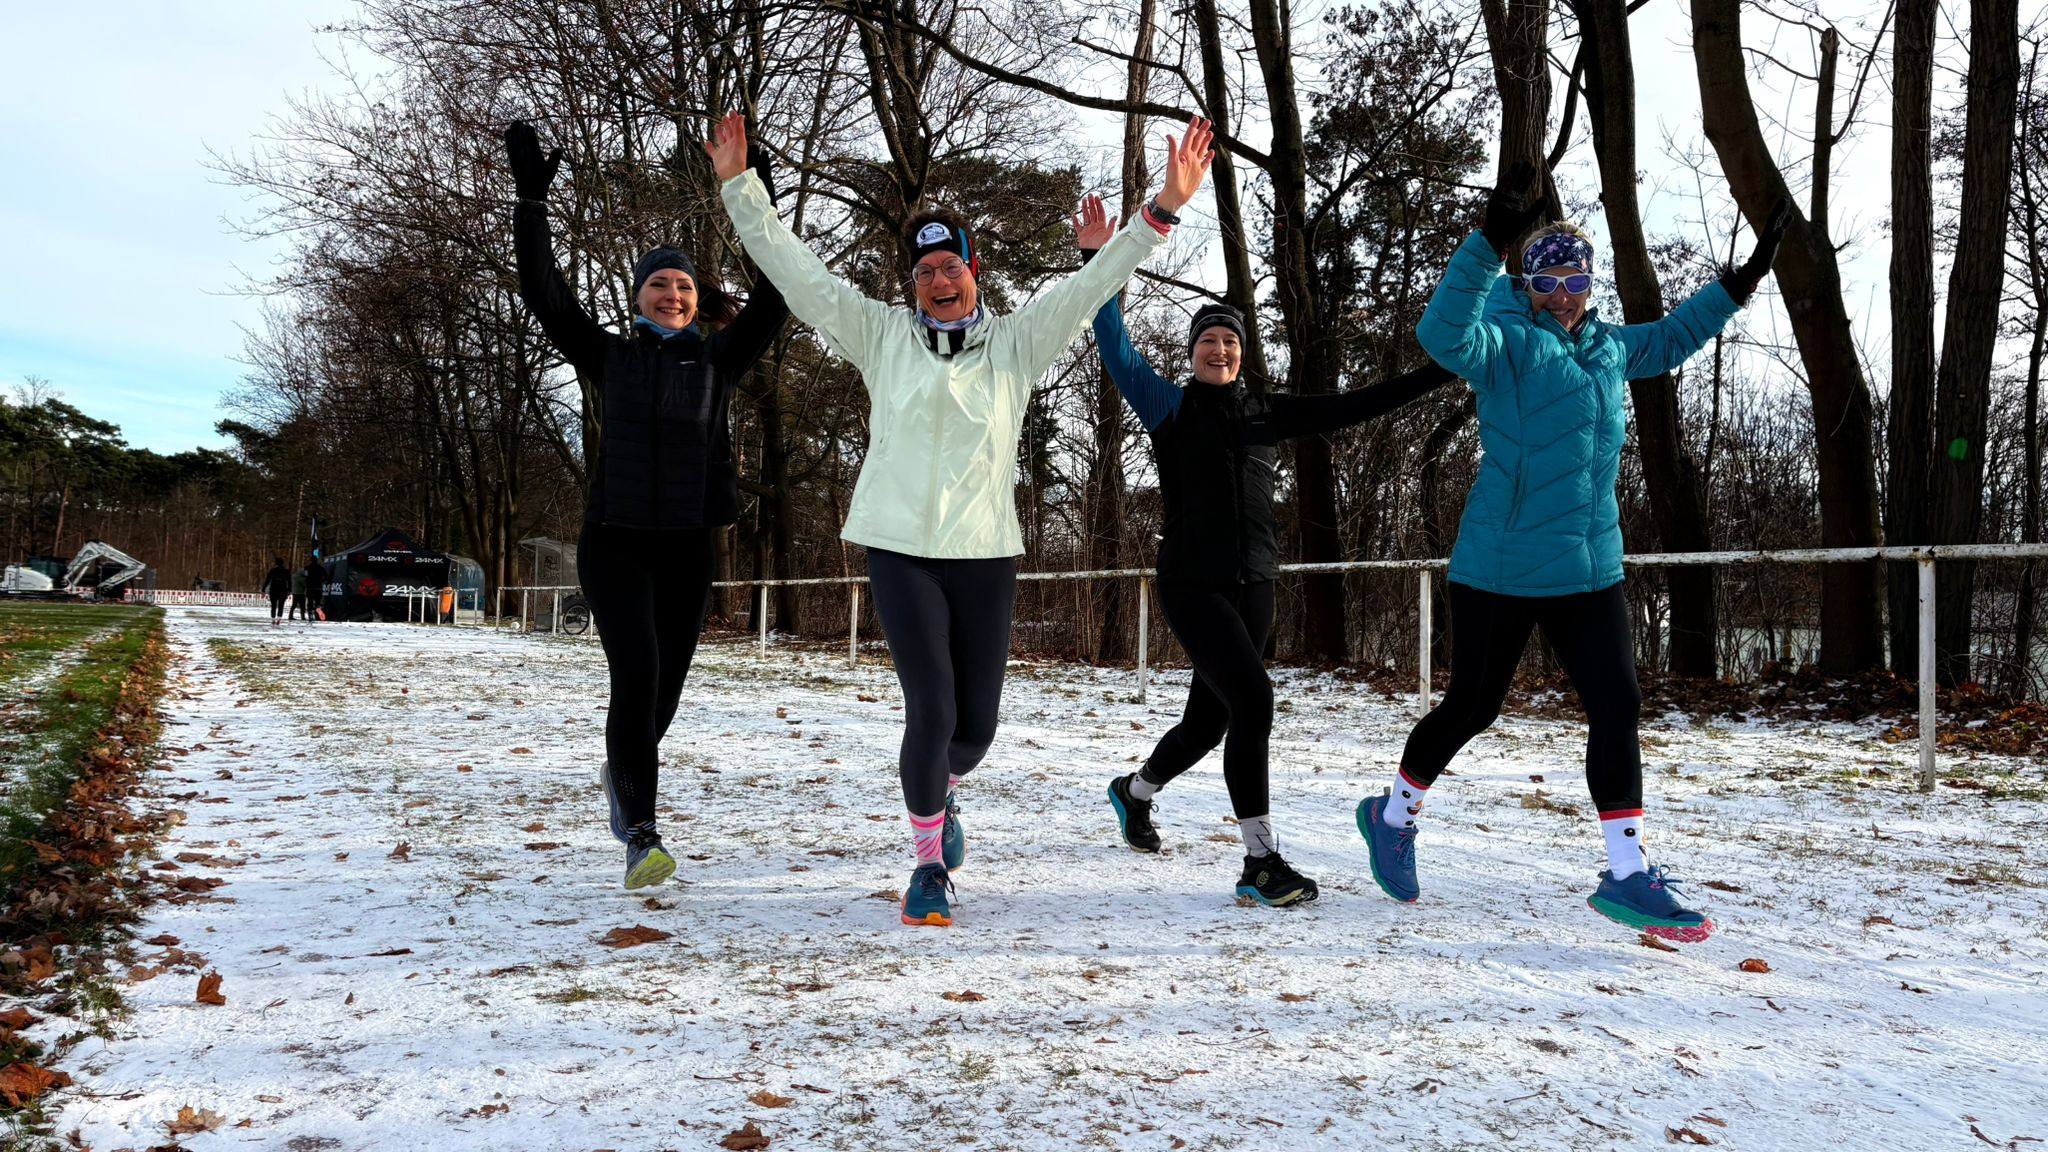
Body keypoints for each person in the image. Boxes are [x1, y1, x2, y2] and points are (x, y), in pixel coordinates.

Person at [710, 110, 1213, 927]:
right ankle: (927, 866)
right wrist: (741, 188)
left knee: (974, 731)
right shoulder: (881, 337)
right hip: (900, 546)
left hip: (984, 552)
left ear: (975, 270)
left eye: (952, 266)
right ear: (911, 283)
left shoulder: (1016, 344)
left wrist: (1160, 209)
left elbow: (1089, 287)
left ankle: (939, 794)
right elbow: (798, 275)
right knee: (932, 709)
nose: (940, 281)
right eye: (925, 272)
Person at [1355, 161, 1789, 943]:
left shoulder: (1608, 348)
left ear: (1591, 286)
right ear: (1526, 286)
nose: (1563, 296)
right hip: (1499, 566)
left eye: (1575, 282)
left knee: (1617, 704)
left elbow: (1673, 338)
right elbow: (1438, 334)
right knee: (1473, 708)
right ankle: (1392, 816)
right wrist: (1488, 241)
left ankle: (1626, 873)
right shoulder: (1502, 344)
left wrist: (1741, 281)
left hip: (1590, 568)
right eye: (1548, 282)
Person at [1079, 218, 1455, 907]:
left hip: (1257, 584)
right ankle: (1259, 861)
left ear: (1242, 355)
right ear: (1192, 353)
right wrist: (1099, 264)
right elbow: (1116, 346)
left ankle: (1133, 794)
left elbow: (1354, 405)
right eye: (1206, 340)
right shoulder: (1167, 406)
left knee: (1210, 720)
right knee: (1254, 701)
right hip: (1191, 583)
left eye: (1228, 341)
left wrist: (1437, 373)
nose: (1217, 349)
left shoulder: (1265, 413)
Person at [505, 119, 790, 892]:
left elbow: (779, 290)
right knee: (636, 675)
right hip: (616, 543)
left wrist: (752, 186)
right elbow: (544, 293)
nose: (673, 294)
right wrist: (533, 201)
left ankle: (621, 772)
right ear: (637, 297)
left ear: (698, 303)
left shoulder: (718, 361)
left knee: (663, 694)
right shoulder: (609, 355)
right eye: (660, 284)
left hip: (688, 547)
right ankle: (642, 832)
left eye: (685, 286)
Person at [264, 558, 290, 625]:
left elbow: (267, 580)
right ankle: (279, 619)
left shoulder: (272, 570)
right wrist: (289, 590)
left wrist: (263, 589)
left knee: (273, 606)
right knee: (281, 605)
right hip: (283, 590)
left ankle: (273, 619)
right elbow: (289, 581)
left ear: (276, 563)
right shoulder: (286, 571)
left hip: (274, 590)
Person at [303, 554, 328, 624]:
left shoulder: (307, 568)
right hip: (318, 587)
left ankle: (310, 615)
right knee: (318, 602)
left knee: (310, 602)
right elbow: (326, 577)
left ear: (310, 560)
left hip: (310, 588)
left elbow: (305, 576)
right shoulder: (321, 568)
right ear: (317, 561)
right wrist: (321, 581)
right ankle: (318, 609)